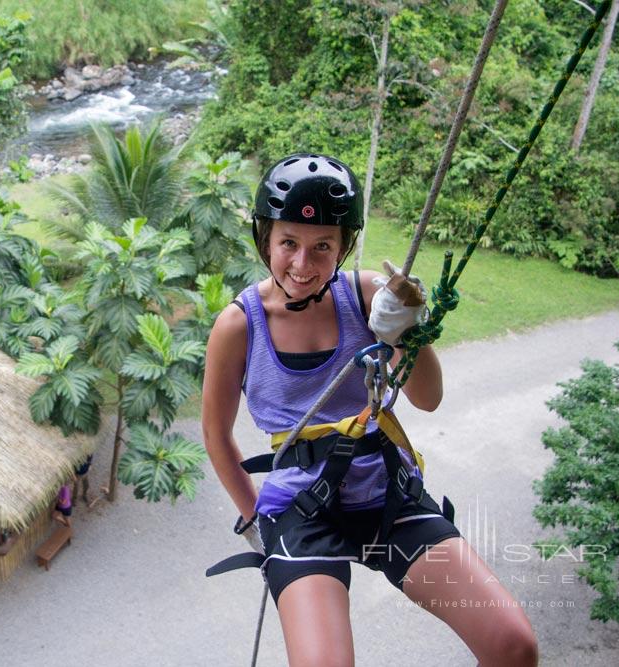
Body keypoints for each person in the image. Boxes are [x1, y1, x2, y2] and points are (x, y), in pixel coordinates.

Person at [202, 153, 538, 666]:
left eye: (322, 247)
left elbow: (427, 397)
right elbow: (217, 436)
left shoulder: (366, 299)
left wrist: (407, 327)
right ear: (265, 239)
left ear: (343, 247)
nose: (302, 264)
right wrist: (254, 519)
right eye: (288, 243)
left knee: (514, 645)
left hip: (384, 489)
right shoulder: (239, 324)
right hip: (300, 505)